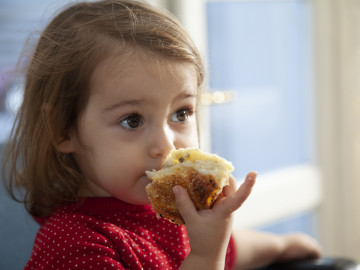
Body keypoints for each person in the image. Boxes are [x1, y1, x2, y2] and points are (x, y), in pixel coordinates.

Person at [1, 0, 322, 269]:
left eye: (181, 113)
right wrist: (206, 256)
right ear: (63, 128)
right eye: (132, 120)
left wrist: (281, 246)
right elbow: (209, 251)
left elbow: (231, 247)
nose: (167, 145)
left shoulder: (162, 213)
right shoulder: (74, 246)